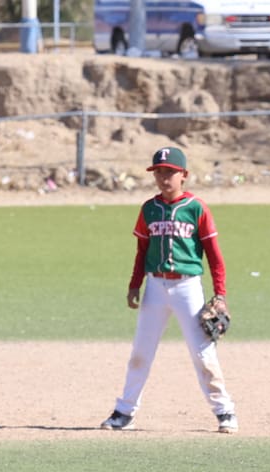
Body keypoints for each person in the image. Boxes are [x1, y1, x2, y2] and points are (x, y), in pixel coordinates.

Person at [100, 146, 238, 435]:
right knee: (141, 351)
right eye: (159, 172)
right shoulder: (149, 209)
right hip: (155, 287)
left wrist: (221, 294)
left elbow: (214, 255)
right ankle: (125, 412)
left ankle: (225, 411)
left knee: (203, 352)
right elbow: (142, 251)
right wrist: (134, 284)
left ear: (184, 175)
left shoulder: (196, 208)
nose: (164, 177)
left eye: (170, 172)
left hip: (188, 286)